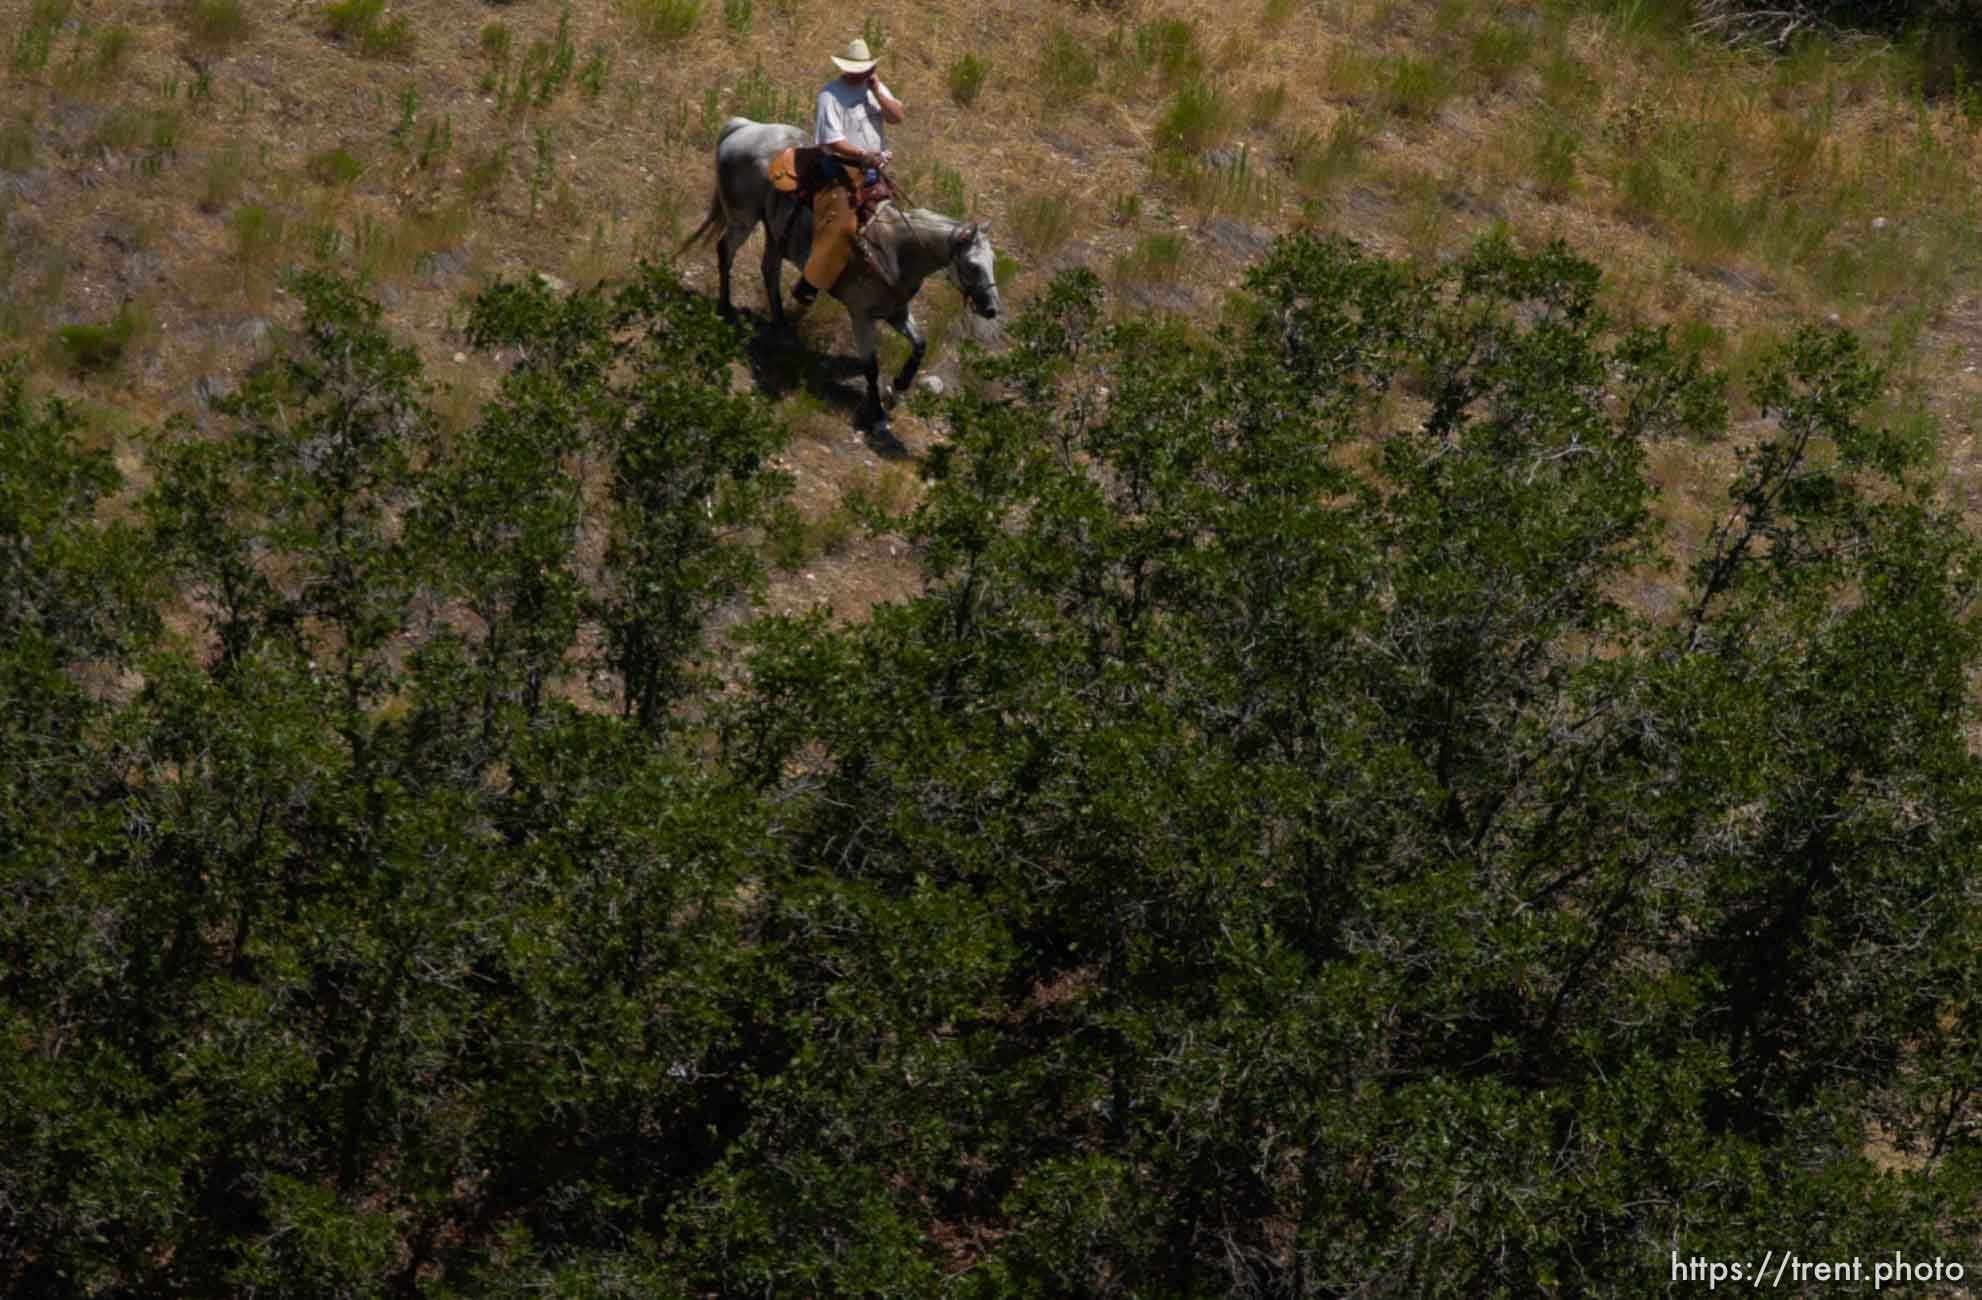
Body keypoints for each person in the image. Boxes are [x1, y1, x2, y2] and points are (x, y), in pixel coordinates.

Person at [793, 36, 905, 309]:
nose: (864, 73)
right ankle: (808, 284)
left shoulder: (874, 88)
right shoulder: (829, 96)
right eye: (860, 70)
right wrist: (863, 155)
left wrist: (878, 90)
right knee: (842, 225)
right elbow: (832, 141)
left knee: (896, 224)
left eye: (867, 69)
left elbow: (897, 116)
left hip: (873, 171)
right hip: (842, 170)